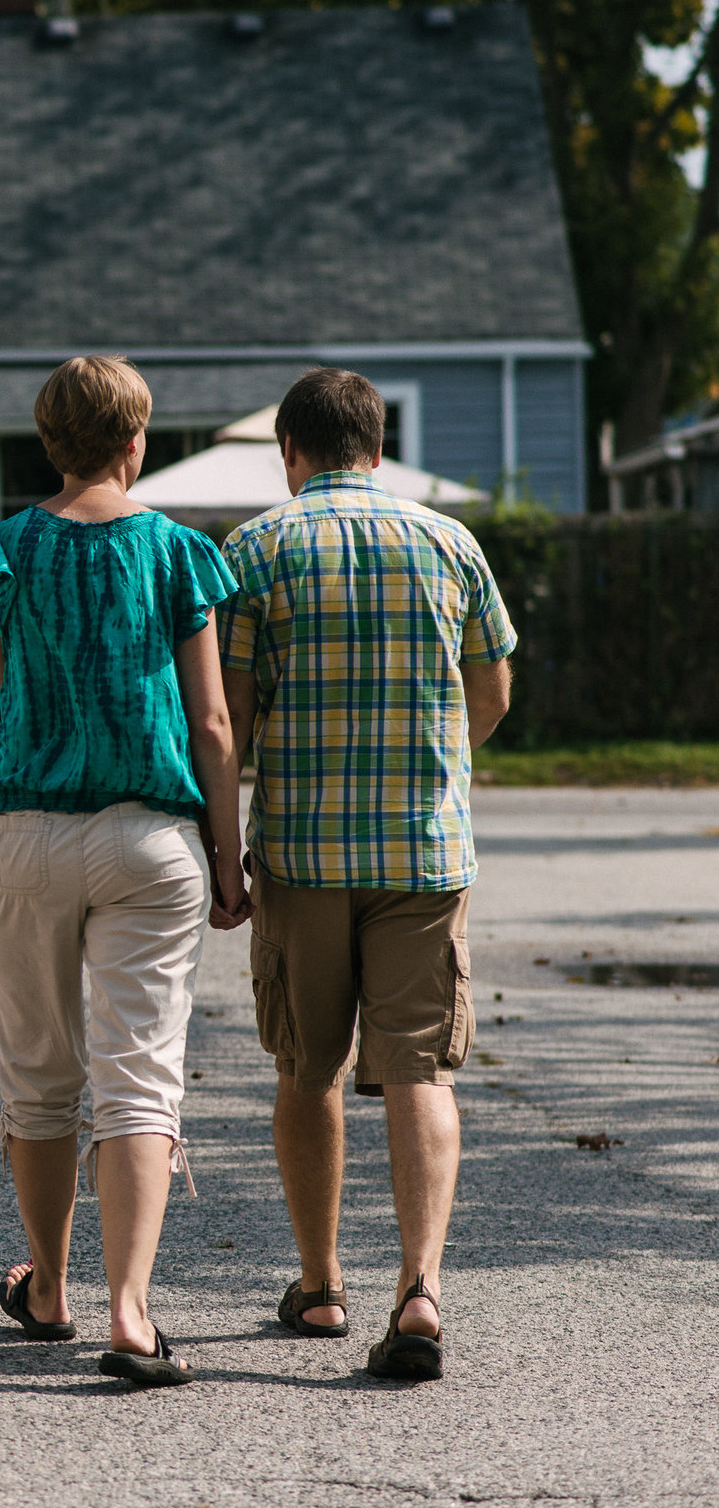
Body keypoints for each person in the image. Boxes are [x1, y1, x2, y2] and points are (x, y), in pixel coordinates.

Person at [222, 367, 516, 1382]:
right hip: (423, 854)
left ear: (288, 452)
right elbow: (491, 691)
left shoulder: (256, 550)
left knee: (307, 1066)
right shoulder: (451, 543)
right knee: (419, 1071)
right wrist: (434, 766)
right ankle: (420, 1288)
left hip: (304, 855)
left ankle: (318, 1284)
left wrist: (227, 843)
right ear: (377, 448)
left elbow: (228, 717)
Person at [0, 356, 249, 1388]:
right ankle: (130, 1314)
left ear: (47, 444)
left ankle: (47, 1286)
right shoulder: (178, 551)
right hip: (148, 837)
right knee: (140, 1079)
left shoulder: (4, 545)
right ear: (137, 443)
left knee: (39, 1070)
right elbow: (212, 724)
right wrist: (228, 861)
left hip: (25, 832)